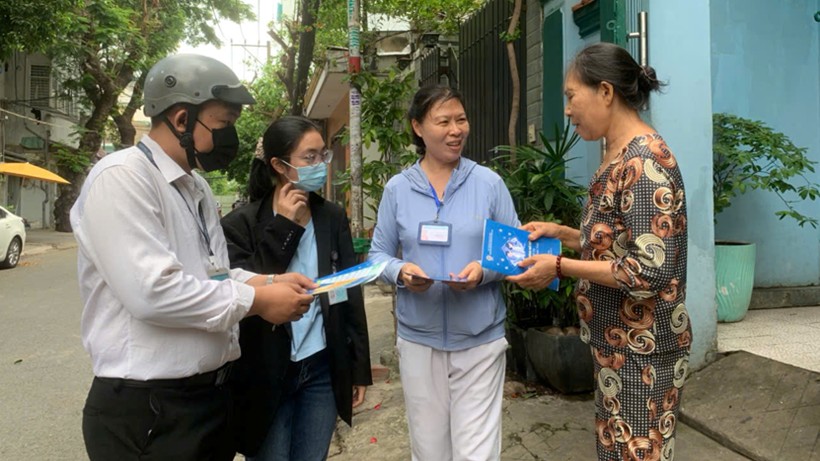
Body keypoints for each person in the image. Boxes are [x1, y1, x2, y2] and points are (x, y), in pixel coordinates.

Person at [70, 54, 315, 461]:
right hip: (149, 410)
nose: (232, 137)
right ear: (182, 119)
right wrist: (258, 302)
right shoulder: (123, 177)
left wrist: (267, 283)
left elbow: (213, 276)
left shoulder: (195, 187)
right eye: (224, 124)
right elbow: (153, 291)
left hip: (207, 400)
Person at [507, 42, 691, 460]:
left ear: (605, 92)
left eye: (572, 96)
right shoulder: (616, 155)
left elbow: (647, 271)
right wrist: (566, 234)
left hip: (644, 350)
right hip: (617, 346)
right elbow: (618, 241)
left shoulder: (643, 163)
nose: (567, 111)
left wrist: (559, 265)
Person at [368, 85, 519, 461]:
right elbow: (377, 257)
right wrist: (401, 272)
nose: (456, 130)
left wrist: (483, 271)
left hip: (481, 340)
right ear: (418, 127)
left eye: (461, 119)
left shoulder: (488, 184)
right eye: (444, 121)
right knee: (429, 450)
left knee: (476, 454)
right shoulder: (398, 189)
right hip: (419, 340)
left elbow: (517, 252)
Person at [220, 115, 372, 460]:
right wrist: (285, 227)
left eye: (323, 155)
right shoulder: (240, 225)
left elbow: (349, 290)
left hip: (320, 367)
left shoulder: (331, 217)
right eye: (309, 157)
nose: (320, 165)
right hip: (267, 375)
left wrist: (357, 366)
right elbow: (248, 293)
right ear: (279, 165)